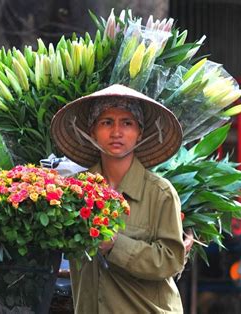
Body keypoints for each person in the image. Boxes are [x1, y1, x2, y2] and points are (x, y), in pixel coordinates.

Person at [50, 84, 186, 313]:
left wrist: (115, 246)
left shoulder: (160, 193)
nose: (116, 132)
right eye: (106, 122)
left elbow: (171, 260)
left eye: (127, 123)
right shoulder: (74, 192)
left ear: (139, 133)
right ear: (92, 132)